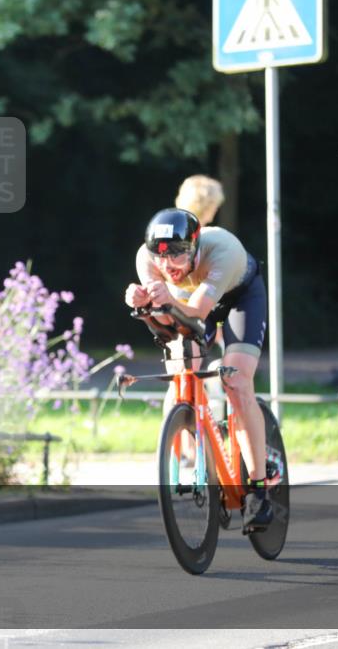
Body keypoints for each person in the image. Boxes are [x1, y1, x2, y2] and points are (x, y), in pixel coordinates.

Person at [124, 208, 273, 531]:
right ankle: (195, 451)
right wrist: (144, 305)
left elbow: (197, 312)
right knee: (181, 368)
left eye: (177, 256)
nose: (168, 266)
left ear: (195, 246)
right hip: (187, 301)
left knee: (236, 380)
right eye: (161, 258)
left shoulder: (222, 250)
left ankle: (258, 489)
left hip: (238, 298)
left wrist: (164, 301)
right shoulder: (146, 259)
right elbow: (168, 322)